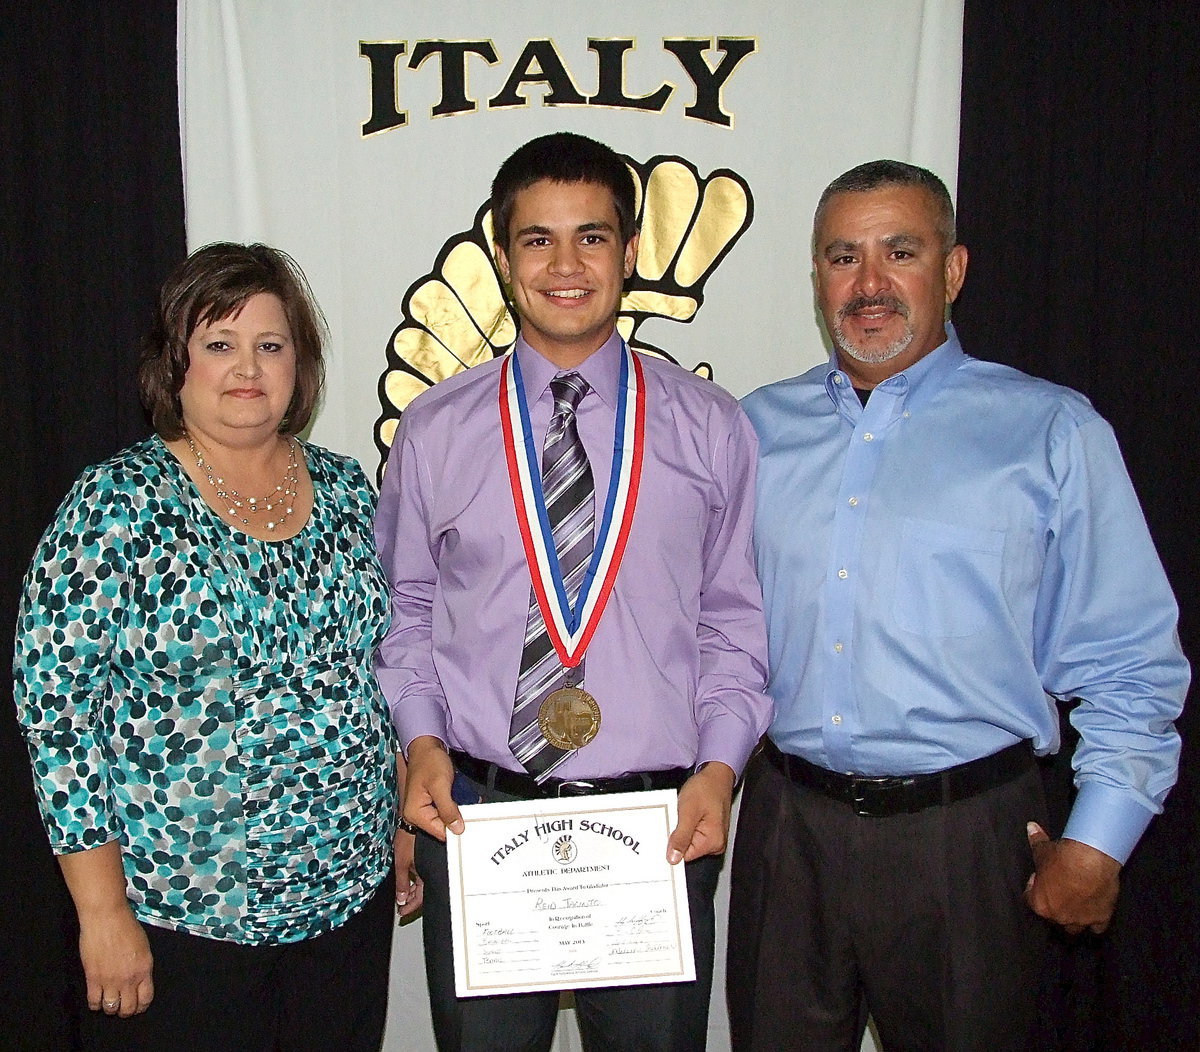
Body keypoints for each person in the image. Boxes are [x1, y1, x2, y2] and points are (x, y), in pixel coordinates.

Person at [726, 160, 1189, 1052]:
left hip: (967, 844)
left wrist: (1097, 841)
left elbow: (1131, 658)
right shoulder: (753, 430)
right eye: (841, 256)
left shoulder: (1052, 430)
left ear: (953, 269)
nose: (868, 284)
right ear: (815, 277)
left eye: (900, 251)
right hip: (787, 834)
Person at [375, 131, 771, 1052]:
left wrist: (720, 768)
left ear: (630, 254)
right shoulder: (436, 430)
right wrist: (421, 742)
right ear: (504, 257)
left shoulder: (711, 428)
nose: (565, 264)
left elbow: (734, 621)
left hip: (657, 822)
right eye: (538, 240)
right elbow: (408, 612)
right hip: (481, 818)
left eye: (592, 237)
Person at [13, 243, 421, 1052]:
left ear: (300, 368)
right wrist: (101, 914)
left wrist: (402, 825)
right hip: (182, 923)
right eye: (219, 344)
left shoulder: (345, 489)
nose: (248, 368)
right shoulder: (116, 503)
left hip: (347, 906)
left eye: (271, 346)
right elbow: (54, 718)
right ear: (176, 365)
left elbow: (382, 667)